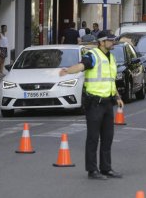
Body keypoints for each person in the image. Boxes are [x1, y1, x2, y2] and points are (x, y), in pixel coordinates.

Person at [59, 30, 124, 180]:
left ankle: (106, 168)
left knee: (108, 138)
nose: (113, 42)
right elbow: (81, 66)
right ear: (101, 42)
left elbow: (110, 80)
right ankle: (92, 170)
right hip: (94, 103)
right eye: (110, 40)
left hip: (108, 103)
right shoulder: (93, 55)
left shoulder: (111, 58)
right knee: (93, 138)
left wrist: (117, 96)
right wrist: (68, 70)